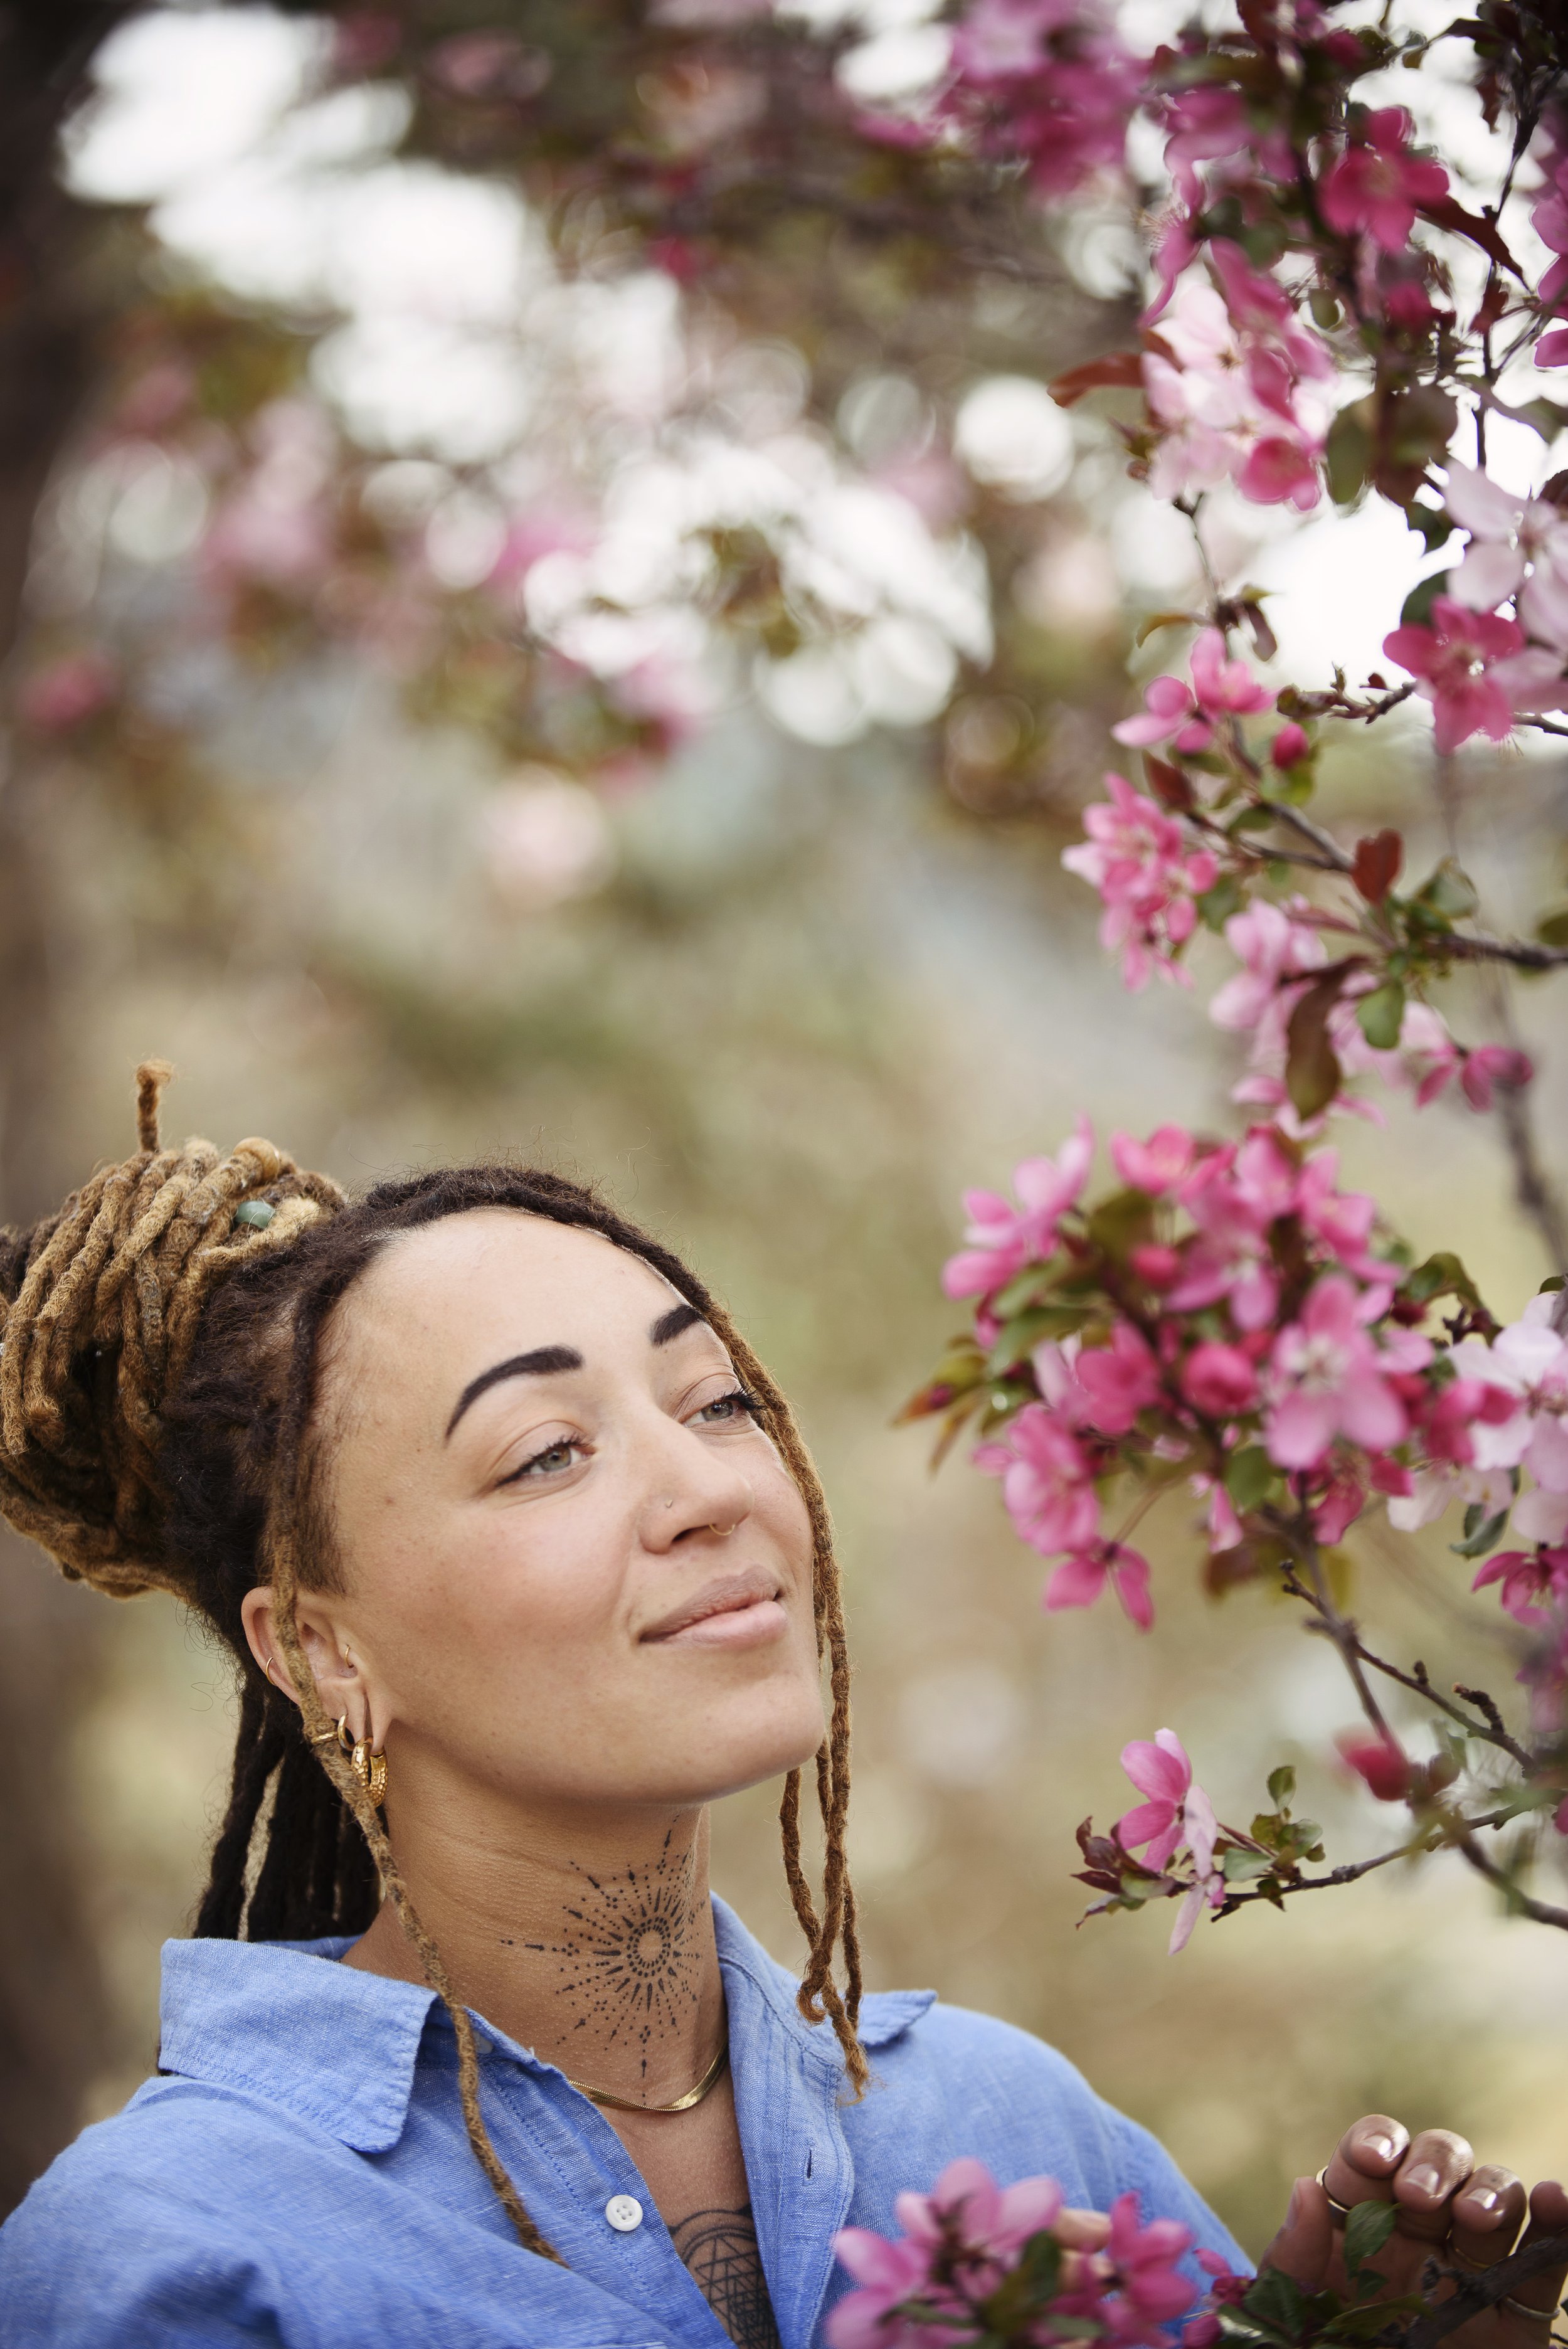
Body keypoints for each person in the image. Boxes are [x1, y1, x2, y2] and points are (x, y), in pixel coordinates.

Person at [0, 1064, 1561, 2349]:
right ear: (320, 1652)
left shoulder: (1001, 2121)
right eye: (547, 1451)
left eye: (714, 1400)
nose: (704, 1490)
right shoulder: (171, 2255)